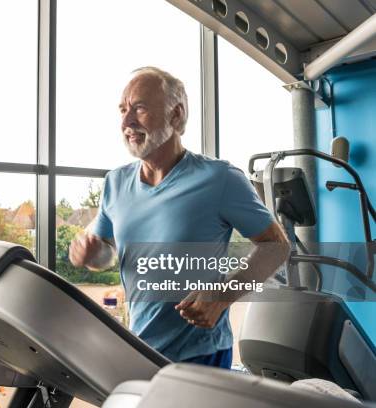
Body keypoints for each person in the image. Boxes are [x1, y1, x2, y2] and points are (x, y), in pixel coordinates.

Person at [69, 66, 290, 369]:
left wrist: (223, 294)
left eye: (140, 108)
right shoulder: (116, 183)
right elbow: (105, 254)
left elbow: (276, 246)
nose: (126, 121)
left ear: (176, 116)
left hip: (201, 356)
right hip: (139, 349)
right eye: (122, 110)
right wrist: (92, 253)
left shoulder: (220, 178)